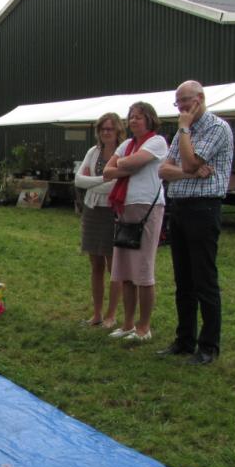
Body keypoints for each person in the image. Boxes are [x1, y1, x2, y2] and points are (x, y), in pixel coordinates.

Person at [158, 80, 235, 365]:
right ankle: (184, 340)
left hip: (203, 208)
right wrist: (189, 173)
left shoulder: (216, 128)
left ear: (200, 99)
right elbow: (164, 170)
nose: (181, 108)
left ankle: (208, 346)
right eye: (178, 103)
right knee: (183, 280)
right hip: (179, 207)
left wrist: (185, 131)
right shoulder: (182, 131)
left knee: (204, 279)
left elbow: (188, 162)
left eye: (185, 101)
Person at [103, 102, 167, 343]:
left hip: (147, 208)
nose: (133, 121)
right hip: (124, 208)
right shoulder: (125, 144)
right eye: (130, 117)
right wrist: (126, 165)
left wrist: (124, 164)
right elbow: (108, 171)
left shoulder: (157, 142)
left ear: (149, 119)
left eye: (138, 117)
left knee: (142, 270)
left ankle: (144, 326)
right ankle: (128, 323)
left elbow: (127, 164)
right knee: (125, 271)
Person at [75, 112, 126, 328]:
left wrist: (92, 181)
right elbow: (78, 179)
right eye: (103, 129)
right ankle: (97, 313)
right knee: (95, 263)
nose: (106, 132)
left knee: (112, 265)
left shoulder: (124, 153)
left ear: (118, 131)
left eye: (110, 129)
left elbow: (116, 185)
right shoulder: (93, 151)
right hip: (92, 210)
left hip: (112, 211)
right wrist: (102, 178)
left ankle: (111, 314)